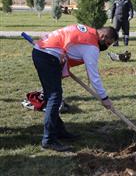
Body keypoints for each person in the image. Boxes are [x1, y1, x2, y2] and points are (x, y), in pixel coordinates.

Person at [31, 24, 118, 152]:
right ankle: (48, 140)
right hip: (47, 56)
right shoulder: (91, 46)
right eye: (108, 43)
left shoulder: (85, 30)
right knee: (54, 98)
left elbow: (64, 39)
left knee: (52, 97)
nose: (107, 47)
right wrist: (104, 97)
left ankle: (59, 131)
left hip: (43, 51)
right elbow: (94, 76)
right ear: (103, 36)